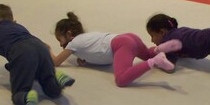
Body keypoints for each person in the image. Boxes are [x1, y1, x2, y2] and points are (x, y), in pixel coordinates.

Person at [0, 4, 75, 105]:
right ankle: (55, 79)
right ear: (13, 20)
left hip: (21, 53)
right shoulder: (19, 27)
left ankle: (26, 96)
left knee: (19, 93)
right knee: (52, 90)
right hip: (41, 48)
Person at [50, 12, 182, 87]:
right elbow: (96, 52)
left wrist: (47, 49)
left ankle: (155, 61)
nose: (60, 44)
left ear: (68, 34)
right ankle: (159, 49)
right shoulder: (84, 39)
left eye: (59, 39)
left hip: (122, 45)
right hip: (128, 38)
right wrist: (85, 60)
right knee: (148, 54)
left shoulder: (73, 44)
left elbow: (56, 62)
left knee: (121, 80)